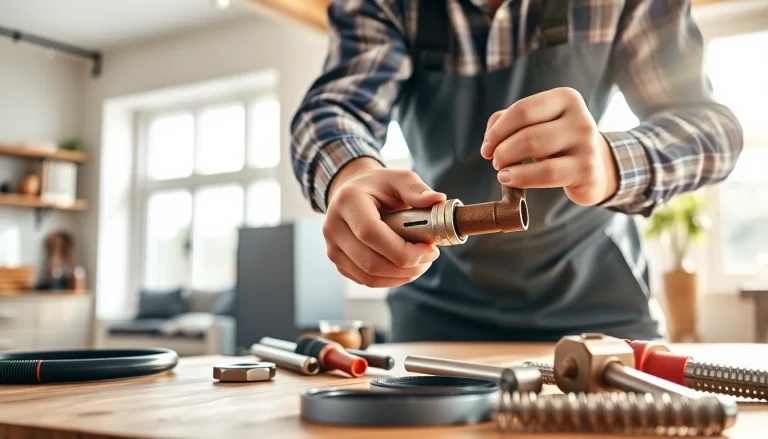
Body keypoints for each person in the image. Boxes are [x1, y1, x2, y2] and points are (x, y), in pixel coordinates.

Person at [289, 0, 742, 342]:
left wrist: (609, 161)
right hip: (436, 318)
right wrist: (350, 176)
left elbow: (713, 131)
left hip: (601, 313)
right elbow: (332, 110)